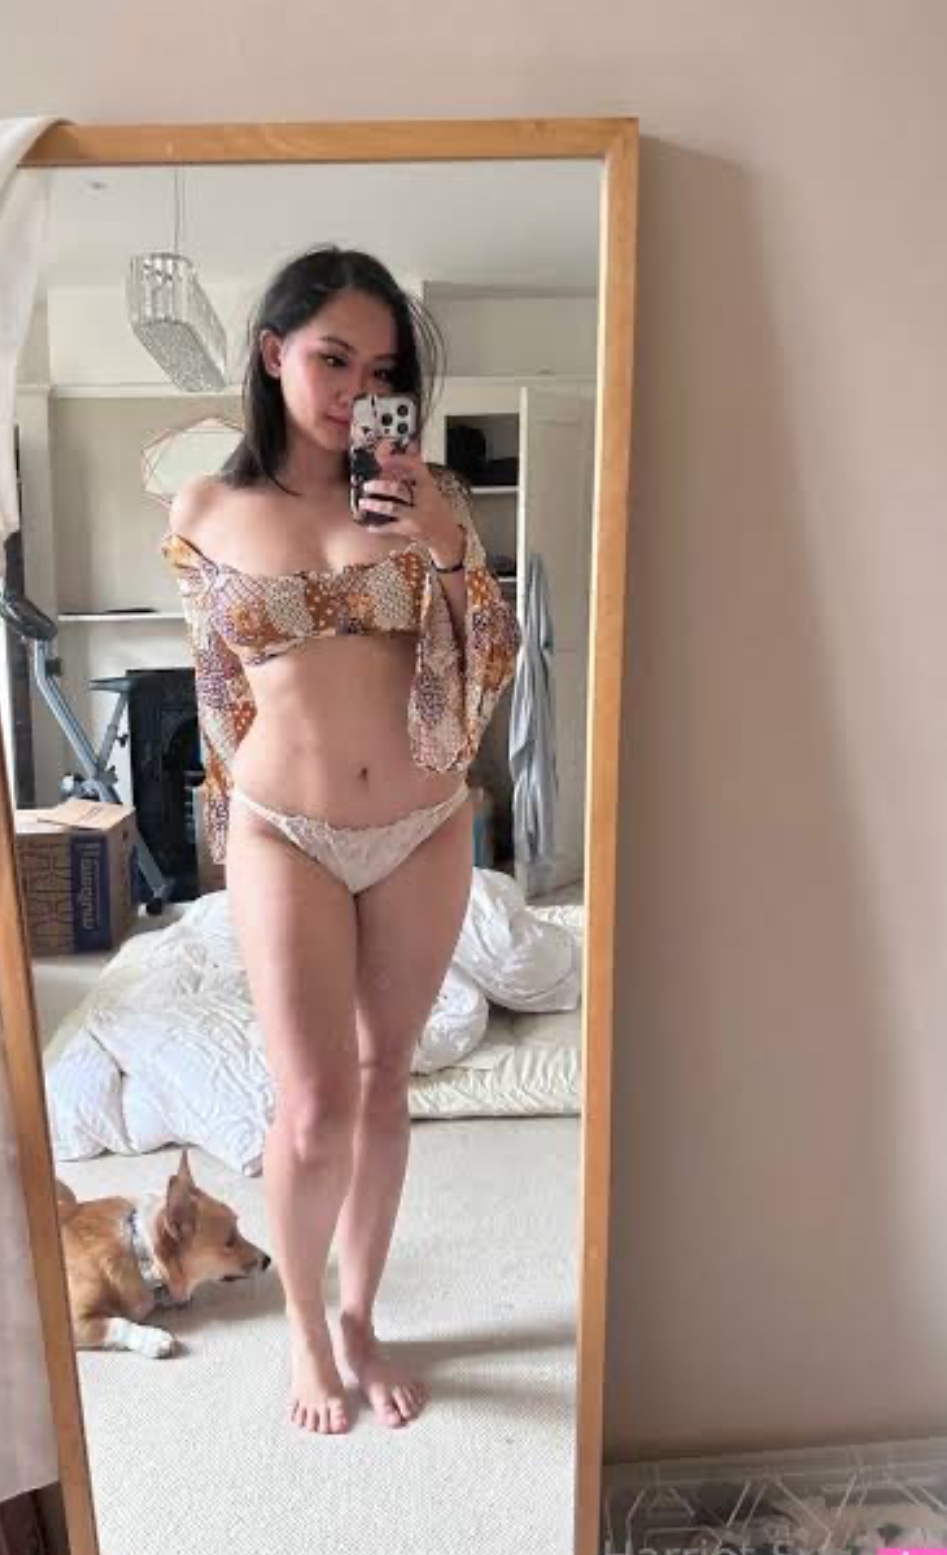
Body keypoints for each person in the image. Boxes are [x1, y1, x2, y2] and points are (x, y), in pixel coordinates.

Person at [162, 247, 521, 1436]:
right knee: (312, 1103)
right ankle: (306, 1328)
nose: (354, 389)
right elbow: (218, 689)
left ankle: (360, 1316)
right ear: (273, 353)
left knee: (383, 1083)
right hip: (287, 831)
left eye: (380, 371)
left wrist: (443, 541)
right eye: (331, 359)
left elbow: (491, 655)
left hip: (421, 823)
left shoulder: (429, 497)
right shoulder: (203, 510)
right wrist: (233, 819)